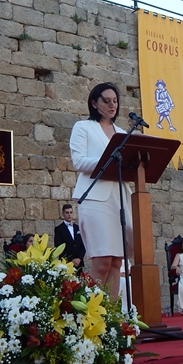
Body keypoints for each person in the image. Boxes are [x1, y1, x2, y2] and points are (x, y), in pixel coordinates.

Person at [69, 82, 133, 298]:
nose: (112, 105)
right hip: (95, 197)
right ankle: (89, 311)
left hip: (119, 198)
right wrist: (108, 161)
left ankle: (110, 316)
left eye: (115, 101)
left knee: (116, 262)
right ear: (95, 103)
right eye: (106, 101)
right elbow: (78, 161)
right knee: (102, 260)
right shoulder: (83, 127)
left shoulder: (123, 133)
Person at [54, 203, 85, 271]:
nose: (69, 214)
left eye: (71, 212)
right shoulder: (59, 229)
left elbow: (83, 244)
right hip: (66, 263)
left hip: (79, 263)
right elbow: (58, 246)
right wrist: (71, 260)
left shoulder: (78, 228)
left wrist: (79, 258)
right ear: (63, 214)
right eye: (67, 212)